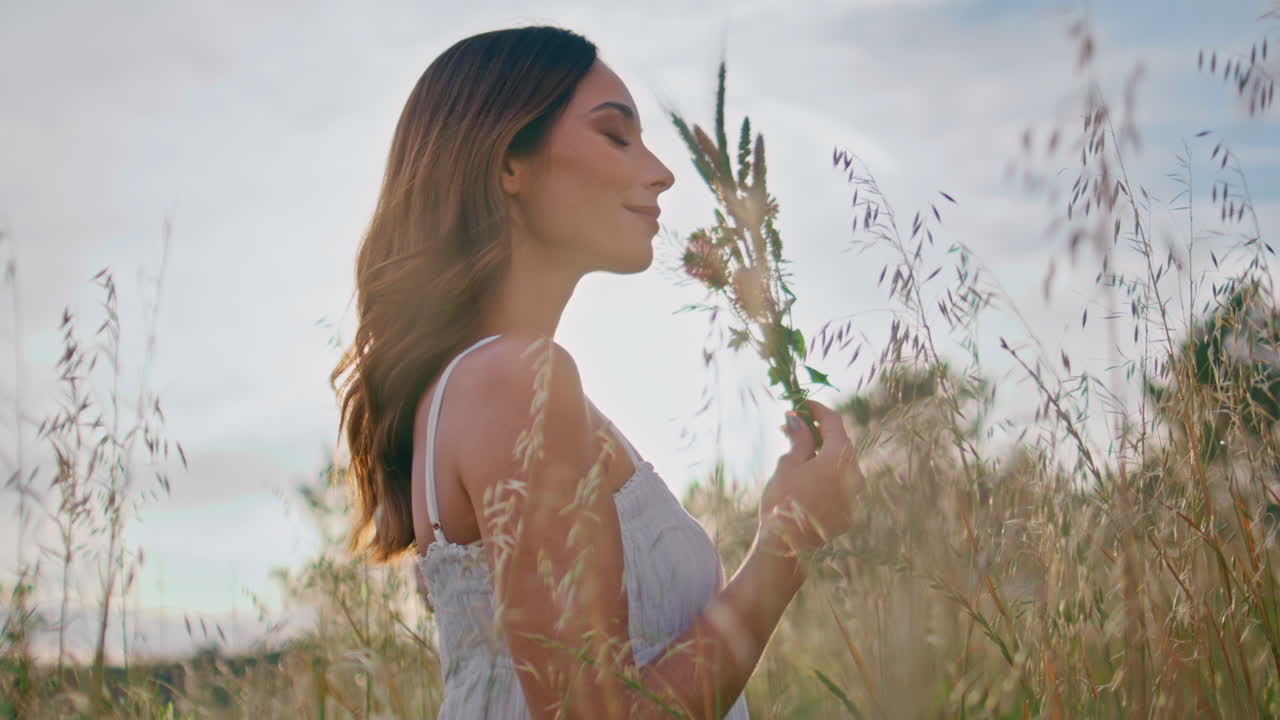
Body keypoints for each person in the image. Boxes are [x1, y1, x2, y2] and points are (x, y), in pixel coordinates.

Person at [331, 24, 864, 719]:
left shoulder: (477, 385)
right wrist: (785, 546)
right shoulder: (514, 381)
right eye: (617, 136)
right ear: (507, 164)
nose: (661, 171)